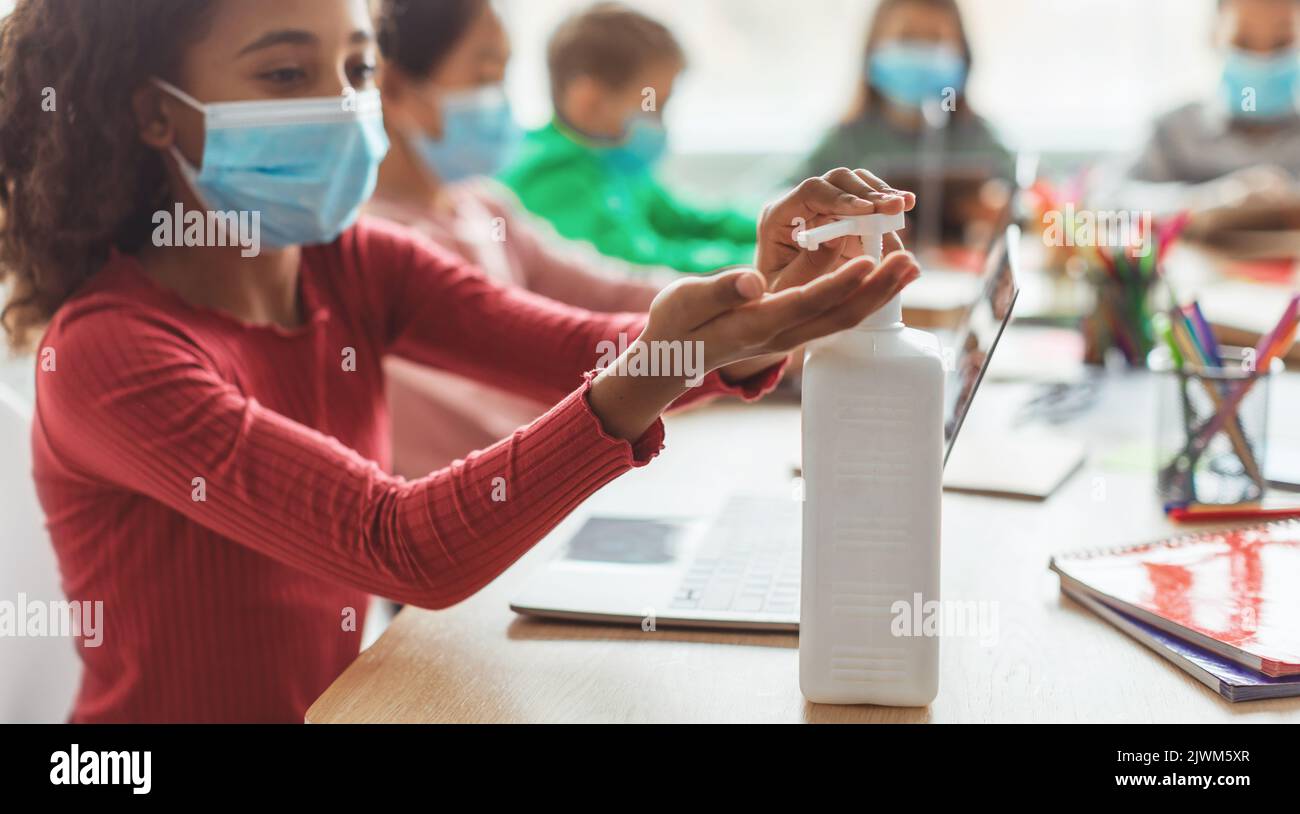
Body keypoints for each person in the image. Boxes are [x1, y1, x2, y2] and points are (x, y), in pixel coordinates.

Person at [0, 0, 920, 723]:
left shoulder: (349, 263)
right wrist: (662, 364)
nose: (345, 104)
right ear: (156, 113)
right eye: (286, 72)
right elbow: (397, 544)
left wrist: (756, 300)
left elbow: (579, 349)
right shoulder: (109, 356)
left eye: (358, 68)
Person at [372, 0, 669, 478]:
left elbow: (606, 290)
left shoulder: (483, 206)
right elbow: (489, 407)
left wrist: (753, 296)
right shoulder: (376, 246)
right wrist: (698, 359)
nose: (502, 103)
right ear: (395, 89)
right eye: (485, 77)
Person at [498, 3, 757, 273]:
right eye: (654, 105)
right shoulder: (551, 178)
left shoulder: (618, 164)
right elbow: (633, 266)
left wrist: (774, 225)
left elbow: (691, 221)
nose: (660, 121)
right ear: (590, 100)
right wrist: (757, 260)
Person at [793, 0, 1011, 246]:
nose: (921, 50)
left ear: (962, 54)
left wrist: (1002, 210)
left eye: (935, 39)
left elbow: (1033, 201)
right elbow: (783, 201)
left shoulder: (978, 137)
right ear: (873, 48)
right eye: (907, 38)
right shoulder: (845, 141)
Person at [1119, 0, 1300, 215]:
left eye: (1281, 43)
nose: (1261, 60)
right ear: (1214, 36)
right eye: (1242, 42)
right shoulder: (1173, 131)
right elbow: (1113, 197)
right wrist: (1206, 201)